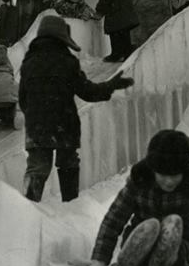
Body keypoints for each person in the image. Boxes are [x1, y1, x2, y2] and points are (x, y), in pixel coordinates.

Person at [88, 129, 189, 266]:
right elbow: (114, 219)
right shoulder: (140, 182)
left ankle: (168, 256)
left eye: (174, 176)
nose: (169, 182)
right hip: (141, 245)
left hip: (184, 244)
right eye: (163, 175)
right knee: (147, 232)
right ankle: (134, 260)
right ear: (153, 170)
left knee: (180, 241)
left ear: (184, 170)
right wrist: (99, 259)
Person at [19, 15, 134, 202]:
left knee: (37, 166)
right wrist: (110, 86)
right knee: (68, 163)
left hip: (36, 124)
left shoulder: (28, 63)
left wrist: (35, 115)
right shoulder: (67, 61)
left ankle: (29, 205)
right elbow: (87, 91)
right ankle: (70, 205)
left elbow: (23, 98)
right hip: (64, 123)